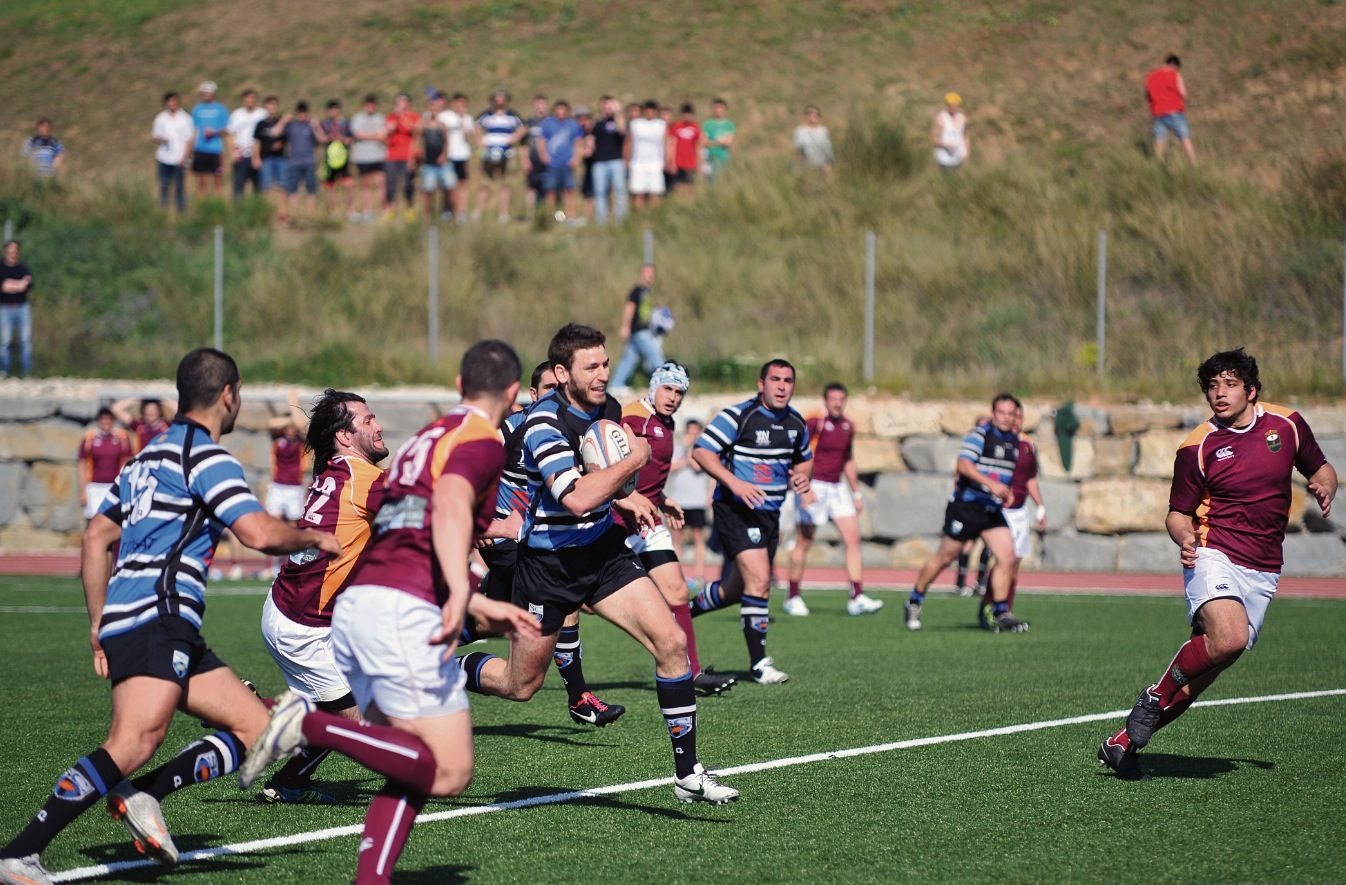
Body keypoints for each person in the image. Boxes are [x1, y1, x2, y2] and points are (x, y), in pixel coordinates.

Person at [0, 348, 341, 885]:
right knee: (132, 741)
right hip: (158, 616)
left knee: (259, 727)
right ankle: (19, 853)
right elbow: (256, 532)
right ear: (228, 394)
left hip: (148, 620)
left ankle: (143, 795)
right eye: (240, 394)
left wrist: (97, 623)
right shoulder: (206, 457)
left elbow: (96, 538)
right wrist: (315, 536)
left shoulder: (145, 459)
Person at [238, 342, 543, 884]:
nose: (376, 425)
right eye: (367, 418)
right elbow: (445, 505)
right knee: (428, 762)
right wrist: (465, 583)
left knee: (408, 757)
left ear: (457, 383)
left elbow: (417, 517)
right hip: (331, 619)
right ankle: (297, 722)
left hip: (340, 612)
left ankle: (357, 857)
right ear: (515, 392)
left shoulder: (420, 443)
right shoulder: (463, 446)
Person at [455, 324, 741, 805]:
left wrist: (630, 499)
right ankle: (445, 669)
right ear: (563, 372)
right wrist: (636, 461)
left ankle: (688, 773)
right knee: (520, 685)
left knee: (671, 643)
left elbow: (604, 478)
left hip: (602, 554)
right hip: (548, 568)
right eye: (592, 366)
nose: (604, 374)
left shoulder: (607, 409)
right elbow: (577, 496)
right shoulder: (541, 425)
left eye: (606, 363)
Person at [1099, 348, 1336, 780]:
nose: (1219, 393)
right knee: (1228, 638)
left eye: (1229, 384)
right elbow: (1176, 513)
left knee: (1205, 670)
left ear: (1252, 390)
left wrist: (1324, 483)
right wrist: (1185, 536)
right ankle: (1153, 695)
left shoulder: (1287, 425)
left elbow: (1319, 468)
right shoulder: (1197, 446)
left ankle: (1124, 744)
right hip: (1214, 551)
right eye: (1212, 385)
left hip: (1263, 567)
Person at [473, 362, 625, 726]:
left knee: (493, 618)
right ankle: (579, 697)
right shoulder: (507, 431)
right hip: (511, 540)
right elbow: (467, 480)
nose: (551, 397)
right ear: (531, 394)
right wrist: (486, 523)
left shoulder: (570, 432)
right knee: (566, 602)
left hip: (543, 537)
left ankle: (433, 636)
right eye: (545, 389)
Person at [257, 389, 389, 805]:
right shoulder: (361, 478)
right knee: (369, 737)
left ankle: (292, 782)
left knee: (352, 703)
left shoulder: (336, 470)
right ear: (345, 436)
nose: (379, 425)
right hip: (303, 629)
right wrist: (500, 526)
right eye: (368, 420)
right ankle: (247, 707)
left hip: (304, 616)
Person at [690, 359, 813, 684]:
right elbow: (701, 452)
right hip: (736, 510)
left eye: (788, 380)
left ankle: (681, 614)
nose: (782, 386)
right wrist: (735, 483)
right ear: (762, 384)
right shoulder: (738, 416)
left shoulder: (796, 423)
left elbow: (804, 462)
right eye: (775, 379)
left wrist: (802, 480)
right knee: (760, 581)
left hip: (769, 513)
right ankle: (759, 664)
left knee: (736, 590)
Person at [620, 363, 737, 695]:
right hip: (616, 523)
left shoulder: (665, 422)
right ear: (654, 387)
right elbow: (609, 468)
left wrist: (663, 499)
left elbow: (646, 477)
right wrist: (635, 500)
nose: (673, 397)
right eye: (667, 389)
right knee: (579, 603)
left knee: (677, 592)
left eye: (679, 392)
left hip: (649, 522)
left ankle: (692, 673)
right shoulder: (631, 418)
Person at [904, 394, 1029, 634]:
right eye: (1001, 413)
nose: (1005, 418)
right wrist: (991, 485)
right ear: (993, 414)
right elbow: (964, 465)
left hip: (991, 509)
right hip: (967, 505)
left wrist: (1006, 492)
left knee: (1008, 557)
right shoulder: (980, 435)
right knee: (945, 557)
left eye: (1010, 414)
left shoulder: (1014, 441)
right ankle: (914, 600)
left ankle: (1001, 612)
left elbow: (1002, 474)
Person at [785, 383, 880, 617]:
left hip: (838, 488)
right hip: (813, 485)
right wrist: (803, 487)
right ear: (825, 401)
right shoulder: (814, 423)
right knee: (804, 542)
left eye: (841, 399)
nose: (837, 403)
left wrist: (856, 492)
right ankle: (793, 596)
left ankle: (857, 596)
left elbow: (847, 459)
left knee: (853, 539)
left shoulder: (848, 426)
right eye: (833, 399)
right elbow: (795, 453)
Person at [976, 403, 1046, 628]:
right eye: (1010, 416)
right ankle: (991, 606)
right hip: (999, 510)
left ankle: (1006, 609)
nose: (1014, 420)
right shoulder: (996, 442)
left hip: (1019, 511)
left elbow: (1030, 478)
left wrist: (1040, 506)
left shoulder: (1027, 444)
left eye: (1018, 416)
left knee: (1014, 563)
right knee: (1003, 560)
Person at [667, 418, 712, 588]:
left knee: (698, 538)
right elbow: (671, 467)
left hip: (697, 501)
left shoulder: (704, 450)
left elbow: (698, 467)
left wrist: (689, 450)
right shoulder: (677, 448)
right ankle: (676, 574)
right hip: (679, 500)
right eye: (690, 431)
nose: (692, 435)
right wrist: (685, 451)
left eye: (695, 431)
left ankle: (698, 574)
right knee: (676, 538)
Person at [609, 263, 666, 390]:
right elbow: (629, 308)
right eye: (646, 272)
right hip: (639, 332)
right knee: (655, 355)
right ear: (642, 274)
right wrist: (625, 326)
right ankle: (664, 384)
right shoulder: (637, 291)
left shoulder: (648, 292)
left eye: (651, 273)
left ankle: (615, 386)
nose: (649, 276)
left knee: (629, 359)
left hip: (643, 331)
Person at [473, 89, 526, 223]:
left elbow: (523, 128)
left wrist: (514, 138)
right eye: (497, 97)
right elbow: (476, 126)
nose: (499, 100)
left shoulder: (512, 115)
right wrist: (480, 142)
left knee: (506, 184)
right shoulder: (487, 115)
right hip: (489, 153)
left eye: (502, 97)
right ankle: (478, 213)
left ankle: (504, 214)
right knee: (485, 183)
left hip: (507, 153)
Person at [77, 408, 132, 522]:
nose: (106, 422)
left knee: (114, 522)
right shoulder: (89, 438)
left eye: (108, 419)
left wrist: (127, 487)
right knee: (92, 522)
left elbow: (129, 462)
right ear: (98, 421)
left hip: (114, 486)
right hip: (94, 486)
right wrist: (83, 490)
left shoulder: (122, 437)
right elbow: (82, 465)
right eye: (103, 419)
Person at [277, 101, 326, 223]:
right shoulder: (291, 126)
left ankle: (311, 218)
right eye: (300, 113)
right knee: (293, 190)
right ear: (297, 113)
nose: (302, 115)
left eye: (304, 113)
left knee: (311, 190)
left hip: (309, 162)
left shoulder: (311, 126)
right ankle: (295, 217)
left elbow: (323, 139)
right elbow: (275, 133)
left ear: (307, 113)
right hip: (294, 162)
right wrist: (283, 120)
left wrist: (317, 126)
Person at [537, 99, 585, 222]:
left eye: (564, 109)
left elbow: (578, 143)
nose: (561, 112)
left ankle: (570, 217)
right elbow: (541, 141)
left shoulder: (573, 124)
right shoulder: (548, 123)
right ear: (555, 110)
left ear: (567, 111)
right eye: (559, 109)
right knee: (551, 191)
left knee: (569, 190)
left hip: (568, 164)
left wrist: (576, 158)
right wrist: (544, 156)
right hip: (552, 163)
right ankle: (550, 217)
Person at [1146, 54, 1196, 163]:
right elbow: (1184, 93)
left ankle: (1158, 165)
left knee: (1160, 141)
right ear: (1174, 65)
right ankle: (1194, 164)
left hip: (1158, 114)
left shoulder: (1150, 77)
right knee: (1185, 139)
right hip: (1174, 113)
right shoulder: (1175, 75)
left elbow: (1148, 96)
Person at [587, 95, 628, 223]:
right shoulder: (597, 124)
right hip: (599, 163)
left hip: (616, 161)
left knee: (620, 191)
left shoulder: (618, 121)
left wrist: (617, 111)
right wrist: (588, 148)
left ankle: (621, 220)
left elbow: (622, 130)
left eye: (610, 105)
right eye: (605, 105)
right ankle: (601, 220)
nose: (607, 108)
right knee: (600, 193)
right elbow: (591, 139)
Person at [151, 92, 194, 213]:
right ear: (166, 103)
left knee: (180, 187)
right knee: (164, 185)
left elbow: (189, 139)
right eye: (169, 101)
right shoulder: (161, 118)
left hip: (179, 158)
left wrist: (185, 157)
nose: (172, 104)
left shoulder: (185, 119)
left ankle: (181, 212)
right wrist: (161, 140)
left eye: (174, 101)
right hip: (164, 158)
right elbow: (155, 136)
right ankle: (163, 211)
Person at [418, 91, 455, 220]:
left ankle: (447, 211)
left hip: (442, 162)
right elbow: (417, 136)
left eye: (435, 108)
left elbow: (446, 141)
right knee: (428, 190)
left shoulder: (442, 125)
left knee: (449, 187)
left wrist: (444, 155)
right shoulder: (423, 124)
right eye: (430, 107)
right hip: (428, 163)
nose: (433, 110)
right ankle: (427, 215)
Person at [350, 95, 387, 223]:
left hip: (379, 155)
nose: (370, 107)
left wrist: (367, 136)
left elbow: (383, 135)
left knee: (381, 183)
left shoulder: (381, 118)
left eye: (373, 104)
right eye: (368, 104)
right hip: (362, 157)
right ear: (364, 105)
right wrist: (374, 136)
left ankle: (383, 209)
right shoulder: (357, 118)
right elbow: (357, 134)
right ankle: (367, 211)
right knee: (365, 185)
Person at [626, 100, 669, 209]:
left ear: (655, 111)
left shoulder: (661, 124)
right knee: (638, 192)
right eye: (647, 109)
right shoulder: (636, 124)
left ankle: (653, 217)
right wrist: (626, 159)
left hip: (656, 162)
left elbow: (666, 142)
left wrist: (667, 159)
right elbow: (628, 142)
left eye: (652, 110)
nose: (650, 112)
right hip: (638, 162)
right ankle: (639, 218)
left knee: (655, 192)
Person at [0, 240, 34, 378]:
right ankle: (5, 371)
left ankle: (27, 372)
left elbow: (28, 285)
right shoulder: (1, 268)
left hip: (22, 307)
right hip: (5, 308)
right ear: (6, 252)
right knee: (5, 341)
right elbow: (3, 287)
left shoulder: (23, 268)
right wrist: (19, 285)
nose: (13, 254)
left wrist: (11, 285)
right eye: (10, 251)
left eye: (15, 251)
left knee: (25, 341)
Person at [189, 81, 229, 196]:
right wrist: (191, 152)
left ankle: (217, 207)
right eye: (204, 92)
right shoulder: (196, 110)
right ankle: (201, 208)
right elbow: (193, 131)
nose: (207, 94)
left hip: (215, 149)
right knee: (201, 182)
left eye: (209, 92)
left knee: (217, 181)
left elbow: (227, 130)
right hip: (200, 149)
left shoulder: (221, 110)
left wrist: (214, 132)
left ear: (214, 93)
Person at [384, 93, 419, 222]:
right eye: (398, 102)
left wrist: (403, 117)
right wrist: (396, 118)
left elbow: (416, 130)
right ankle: (390, 210)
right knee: (391, 184)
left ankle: (409, 209)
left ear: (408, 104)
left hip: (408, 156)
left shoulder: (414, 116)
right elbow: (388, 130)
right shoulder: (391, 117)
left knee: (408, 184)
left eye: (403, 102)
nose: (400, 105)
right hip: (392, 156)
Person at [226, 90, 267, 198]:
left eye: (252, 98)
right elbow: (230, 135)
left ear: (256, 100)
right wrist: (232, 153)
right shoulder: (236, 114)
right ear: (243, 100)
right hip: (241, 154)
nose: (250, 100)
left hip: (258, 154)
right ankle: (238, 210)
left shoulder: (262, 114)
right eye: (247, 98)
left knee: (258, 185)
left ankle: (257, 207)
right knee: (239, 184)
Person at [251, 96, 287, 217]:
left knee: (281, 187)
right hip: (265, 158)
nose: (272, 107)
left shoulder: (281, 122)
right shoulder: (260, 124)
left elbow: (286, 138)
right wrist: (255, 158)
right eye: (270, 104)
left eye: (274, 105)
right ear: (265, 106)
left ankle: (281, 213)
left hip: (280, 158)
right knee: (266, 187)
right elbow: (256, 142)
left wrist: (280, 143)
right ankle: (266, 214)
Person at [319, 100, 355, 220]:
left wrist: (341, 138)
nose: (333, 112)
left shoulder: (346, 123)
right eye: (330, 109)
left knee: (348, 186)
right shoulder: (324, 124)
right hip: (329, 160)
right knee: (330, 187)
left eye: (335, 109)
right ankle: (332, 213)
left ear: (339, 109)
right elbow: (320, 139)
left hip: (343, 159)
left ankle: (350, 212)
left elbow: (350, 140)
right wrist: (327, 138)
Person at [445, 92, 477, 222]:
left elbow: (467, 135)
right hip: (448, 155)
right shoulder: (445, 116)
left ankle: (461, 212)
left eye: (463, 104)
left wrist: (463, 118)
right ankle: (448, 210)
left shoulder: (467, 118)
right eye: (458, 103)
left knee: (462, 184)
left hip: (462, 155)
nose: (460, 106)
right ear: (453, 103)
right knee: (449, 185)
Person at [519, 94, 550, 220]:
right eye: (538, 104)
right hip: (532, 160)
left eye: (543, 104)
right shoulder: (528, 123)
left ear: (546, 106)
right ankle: (531, 214)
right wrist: (524, 160)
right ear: (534, 106)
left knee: (548, 187)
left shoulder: (550, 122)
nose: (540, 107)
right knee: (531, 188)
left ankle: (546, 214)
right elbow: (523, 144)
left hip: (548, 161)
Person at [110, 398, 176, 453]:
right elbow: (115, 409)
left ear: (159, 412)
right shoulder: (139, 425)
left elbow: (178, 410)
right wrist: (136, 399)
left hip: (161, 462)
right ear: (143, 411)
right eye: (147, 409)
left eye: (154, 409)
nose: (151, 412)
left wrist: (163, 399)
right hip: (143, 462)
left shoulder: (166, 424)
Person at [792, 105, 833, 176]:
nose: (813, 115)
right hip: (805, 167)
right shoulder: (800, 131)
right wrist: (798, 169)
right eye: (810, 113)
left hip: (821, 167)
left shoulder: (823, 130)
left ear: (819, 116)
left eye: (816, 113)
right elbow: (798, 151)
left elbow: (827, 149)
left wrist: (828, 166)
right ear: (806, 116)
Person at [670, 103, 702, 193]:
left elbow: (698, 146)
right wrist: (672, 162)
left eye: (689, 114)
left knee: (689, 185)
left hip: (690, 162)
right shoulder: (676, 126)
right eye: (685, 114)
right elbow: (672, 144)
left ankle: (688, 204)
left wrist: (698, 163)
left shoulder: (695, 127)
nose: (687, 116)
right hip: (678, 161)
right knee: (677, 185)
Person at [932, 92, 968, 170]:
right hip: (944, 158)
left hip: (958, 158)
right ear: (947, 105)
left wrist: (966, 152)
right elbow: (935, 140)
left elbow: (965, 136)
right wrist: (946, 145)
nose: (953, 107)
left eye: (955, 105)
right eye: (951, 105)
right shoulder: (941, 118)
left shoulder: (962, 118)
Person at [702, 98, 736, 181]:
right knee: (710, 181)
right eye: (716, 108)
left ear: (725, 110)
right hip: (710, 157)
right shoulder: (707, 124)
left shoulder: (729, 125)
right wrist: (721, 141)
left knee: (722, 181)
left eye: (721, 108)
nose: (718, 110)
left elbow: (729, 143)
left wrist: (713, 142)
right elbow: (704, 142)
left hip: (723, 157)